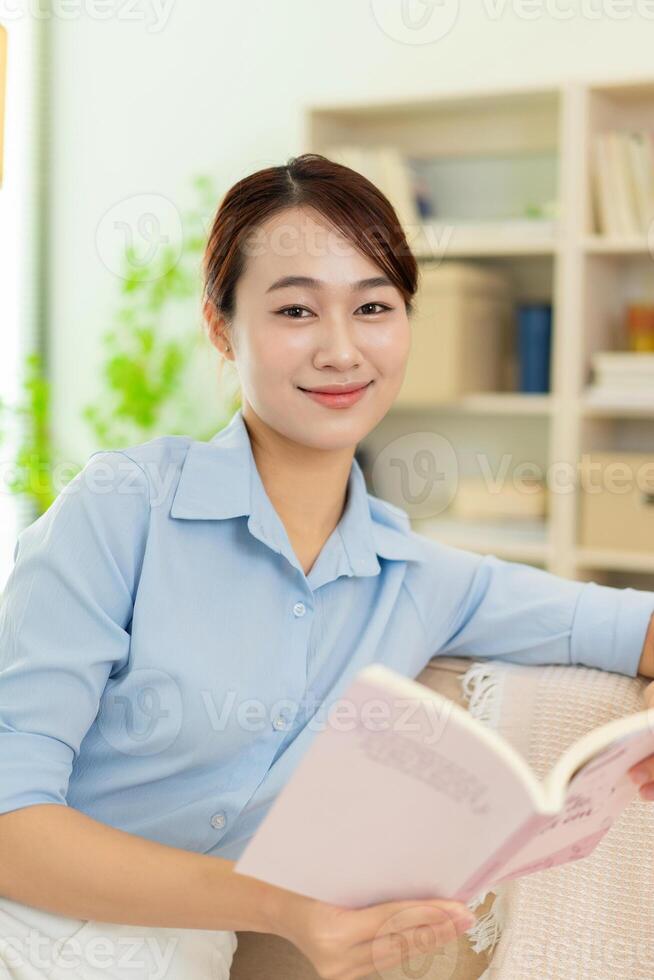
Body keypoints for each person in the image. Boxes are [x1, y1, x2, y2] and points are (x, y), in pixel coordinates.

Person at [1, 153, 654, 980]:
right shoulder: (120, 509)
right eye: (297, 310)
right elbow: (8, 827)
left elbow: (631, 626)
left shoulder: (419, 577)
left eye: (374, 307)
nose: (342, 350)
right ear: (220, 326)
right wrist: (279, 907)